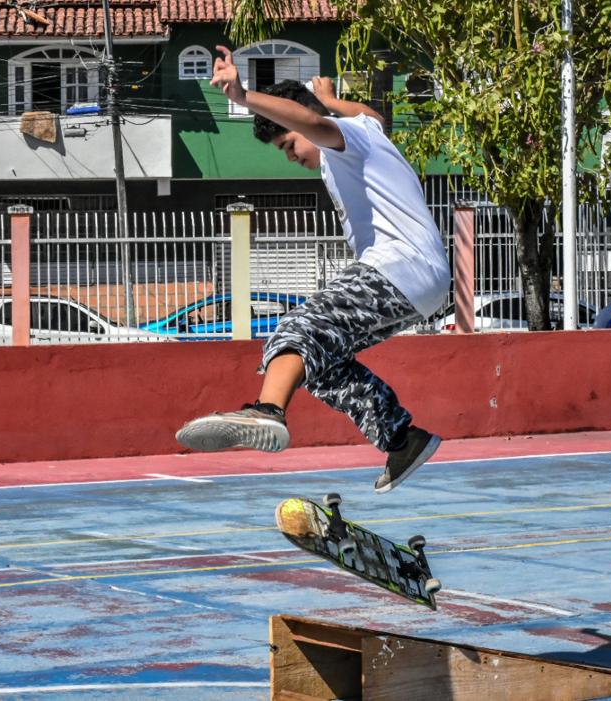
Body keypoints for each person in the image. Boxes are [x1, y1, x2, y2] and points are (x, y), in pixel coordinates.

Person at [175, 47, 451, 494]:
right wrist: (331, 99)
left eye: (288, 144)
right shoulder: (365, 131)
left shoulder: (340, 140)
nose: (290, 157)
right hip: (423, 284)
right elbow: (373, 115)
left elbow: (314, 123)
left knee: (297, 329)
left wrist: (244, 96)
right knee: (322, 363)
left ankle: (268, 410)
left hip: (400, 266)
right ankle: (402, 439)